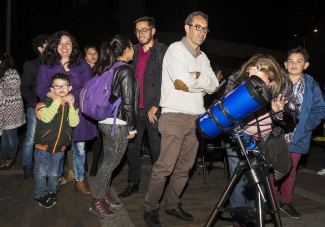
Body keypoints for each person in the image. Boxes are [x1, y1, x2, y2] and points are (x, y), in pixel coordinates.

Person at [143, 11, 219, 227]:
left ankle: (172, 204)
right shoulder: (176, 50)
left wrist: (195, 77)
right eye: (198, 27)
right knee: (164, 167)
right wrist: (199, 81)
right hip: (174, 115)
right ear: (187, 28)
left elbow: (214, 85)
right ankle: (149, 208)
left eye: (205, 28)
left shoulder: (203, 57)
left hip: (197, 117)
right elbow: (179, 83)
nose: (202, 32)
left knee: (185, 167)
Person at [224, 53, 301, 227]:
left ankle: (255, 219)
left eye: (263, 83)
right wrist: (244, 85)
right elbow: (226, 110)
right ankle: (238, 223)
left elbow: (294, 114)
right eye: (254, 81)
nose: (258, 88)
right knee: (237, 184)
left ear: (272, 81)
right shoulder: (236, 79)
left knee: (259, 181)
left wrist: (281, 115)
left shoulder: (282, 84)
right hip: (239, 135)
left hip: (265, 137)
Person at [36, 30, 97, 195]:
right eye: (60, 43)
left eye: (68, 43)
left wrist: (73, 95)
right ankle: (56, 178)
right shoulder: (47, 64)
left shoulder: (82, 64)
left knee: (80, 148)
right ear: (55, 46)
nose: (64, 46)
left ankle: (80, 179)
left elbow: (88, 86)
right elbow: (40, 88)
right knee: (58, 147)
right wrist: (54, 95)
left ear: (73, 46)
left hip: (76, 110)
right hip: (56, 113)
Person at [269, 46, 325, 219]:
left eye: (299, 61)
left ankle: (286, 202)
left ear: (306, 65)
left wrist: (306, 127)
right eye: (291, 61)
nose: (294, 64)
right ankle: (269, 203)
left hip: (298, 136)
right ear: (285, 64)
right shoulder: (276, 81)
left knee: (290, 172)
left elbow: (319, 109)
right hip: (276, 135)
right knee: (272, 171)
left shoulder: (312, 85)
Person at [88, 35, 139, 219]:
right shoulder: (125, 70)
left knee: (110, 161)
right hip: (117, 123)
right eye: (132, 47)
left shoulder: (109, 67)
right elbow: (129, 102)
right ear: (126, 49)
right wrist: (132, 127)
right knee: (111, 162)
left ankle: (105, 195)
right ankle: (97, 200)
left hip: (105, 121)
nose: (134, 50)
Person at [118, 16, 168, 198]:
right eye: (137, 31)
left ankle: (158, 188)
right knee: (132, 149)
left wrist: (157, 104)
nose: (140, 34)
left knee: (157, 151)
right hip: (134, 109)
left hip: (153, 110)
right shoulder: (132, 51)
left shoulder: (163, 51)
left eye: (144, 30)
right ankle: (133, 182)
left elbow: (169, 81)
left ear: (153, 31)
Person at [34, 73, 79, 208]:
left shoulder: (71, 105)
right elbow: (46, 118)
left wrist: (71, 106)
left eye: (64, 85)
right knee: (41, 172)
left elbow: (74, 123)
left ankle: (52, 192)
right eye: (57, 86)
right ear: (51, 89)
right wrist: (57, 102)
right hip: (43, 145)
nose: (61, 88)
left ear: (69, 88)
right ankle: (40, 193)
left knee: (54, 173)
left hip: (60, 147)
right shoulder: (43, 104)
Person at [20, 34, 50, 179]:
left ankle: (45, 167)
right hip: (35, 107)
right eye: (47, 43)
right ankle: (27, 166)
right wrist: (34, 104)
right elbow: (24, 88)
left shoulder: (54, 64)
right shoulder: (31, 65)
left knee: (47, 138)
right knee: (31, 139)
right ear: (40, 48)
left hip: (51, 108)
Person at [0, 51, 26, 170]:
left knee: (11, 136)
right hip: (4, 110)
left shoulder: (11, 72)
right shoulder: (3, 73)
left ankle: (11, 159)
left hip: (12, 110)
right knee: (4, 136)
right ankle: (4, 158)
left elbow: (14, 90)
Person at [83, 45, 102, 176]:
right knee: (83, 135)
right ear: (85, 56)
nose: (93, 55)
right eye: (89, 53)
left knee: (97, 136)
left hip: (97, 107)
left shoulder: (101, 69)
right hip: (84, 107)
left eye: (95, 53)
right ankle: (83, 161)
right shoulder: (81, 70)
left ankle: (95, 162)